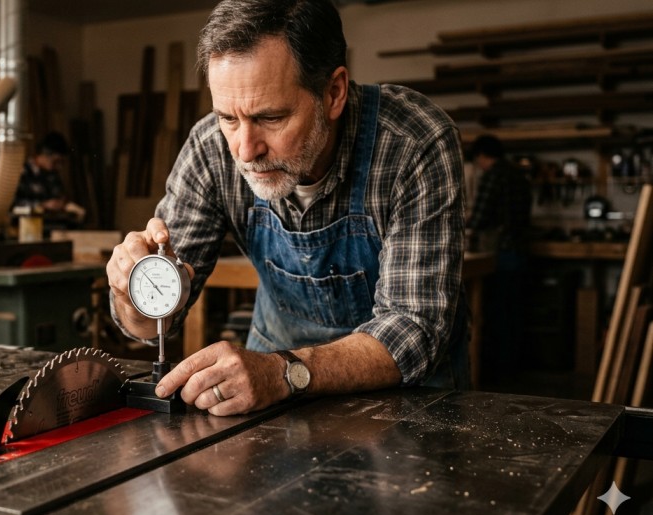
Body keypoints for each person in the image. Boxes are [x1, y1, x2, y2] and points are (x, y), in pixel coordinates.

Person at [107, 0, 468, 417]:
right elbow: (157, 318)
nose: (245, 150)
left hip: (408, 396)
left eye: (271, 118)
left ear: (333, 93)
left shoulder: (414, 142)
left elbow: (414, 328)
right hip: (270, 377)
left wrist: (284, 372)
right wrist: (133, 301)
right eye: (227, 117)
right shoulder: (210, 150)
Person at [466, 134, 532, 384]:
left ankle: (495, 372)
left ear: (483, 156)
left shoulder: (493, 175)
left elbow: (481, 216)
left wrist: (463, 222)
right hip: (520, 249)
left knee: (496, 311)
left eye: (478, 160)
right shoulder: (518, 175)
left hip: (502, 251)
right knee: (514, 311)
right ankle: (511, 368)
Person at [13, 131, 84, 226]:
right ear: (44, 154)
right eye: (56, 161)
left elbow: (60, 196)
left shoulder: (52, 175)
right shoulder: (22, 173)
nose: (59, 167)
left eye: (61, 162)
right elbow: (12, 206)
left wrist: (64, 205)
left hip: (50, 226)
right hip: (26, 226)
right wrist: (42, 205)